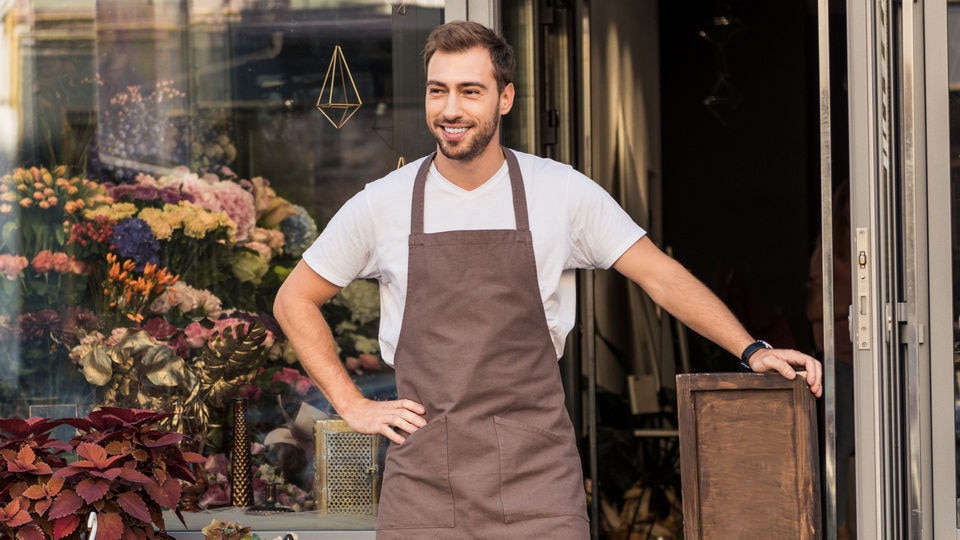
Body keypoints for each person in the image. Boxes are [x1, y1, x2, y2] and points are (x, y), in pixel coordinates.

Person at [273, 20, 823, 538]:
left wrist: (752, 350)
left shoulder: (559, 192)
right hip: (424, 487)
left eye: (470, 91)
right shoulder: (384, 203)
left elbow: (658, 274)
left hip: (536, 481)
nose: (450, 109)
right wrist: (351, 404)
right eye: (437, 91)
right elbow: (295, 299)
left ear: (504, 98)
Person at [806, 181, 854, 540]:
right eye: (850, 205)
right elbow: (813, 310)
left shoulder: (879, 244)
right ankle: (835, 528)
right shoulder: (829, 251)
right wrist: (856, 310)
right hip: (841, 360)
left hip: (872, 363)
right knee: (838, 448)